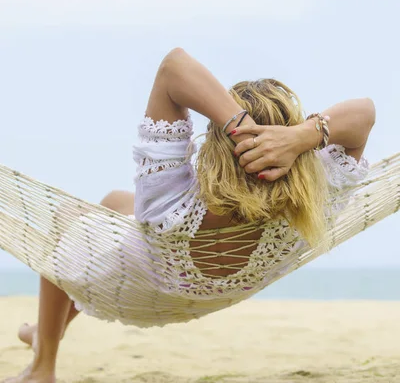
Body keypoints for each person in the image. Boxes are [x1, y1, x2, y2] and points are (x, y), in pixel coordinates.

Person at [4, 48, 374, 383]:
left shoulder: (168, 207)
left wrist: (238, 127)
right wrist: (301, 137)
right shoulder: (318, 199)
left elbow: (174, 67)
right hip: (208, 288)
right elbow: (365, 113)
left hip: (141, 280)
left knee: (69, 217)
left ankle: (43, 363)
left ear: (216, 140)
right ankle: (44, 330)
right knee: (115, 201)